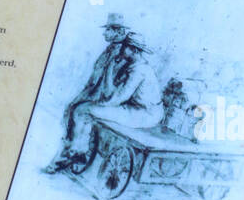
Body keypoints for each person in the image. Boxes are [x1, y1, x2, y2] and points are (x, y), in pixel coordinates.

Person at [46, 33, 164, 174]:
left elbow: (116, 98)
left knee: (82, 110)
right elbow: (112, 95)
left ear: (134, 50)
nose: (121, 49)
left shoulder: (139, 70)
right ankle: (77, 150)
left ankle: (75, 152)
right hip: (137, 110)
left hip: (144, 114)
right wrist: (109, 68)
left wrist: (100, 104)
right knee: (85, 109)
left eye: (125, 46)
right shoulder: (133, 66)